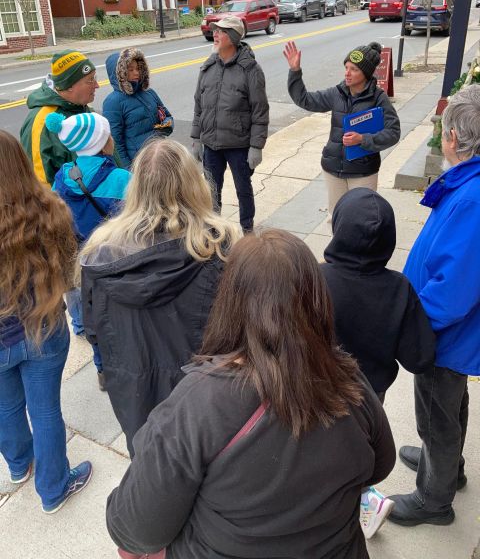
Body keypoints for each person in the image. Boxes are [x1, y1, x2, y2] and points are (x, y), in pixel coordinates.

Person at [105, 229, 396, 559]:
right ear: (316, 299)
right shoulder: (347, 378)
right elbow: (381, 464)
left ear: (230, 299)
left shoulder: (198, 402)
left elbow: (134, 530)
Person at [79, 138, 239, 457]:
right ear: (194, 183)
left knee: (149, 467)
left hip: (134, 390)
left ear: (135, 188)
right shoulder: (222, 246)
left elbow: (93, 328)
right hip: (206, 397)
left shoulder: (100, 254)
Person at [319, 187, 436, 538]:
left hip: (319, 391)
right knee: (359, 454)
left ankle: (329, 510)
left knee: (319, 457)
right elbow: (420, 356)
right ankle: (362, 501)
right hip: (371, 398)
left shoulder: (316, 279)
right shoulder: (399, 288)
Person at [388, 84, 480, 527]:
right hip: (446, 332)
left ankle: (433, 499)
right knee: (448, 405)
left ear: (453, 138)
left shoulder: (473, 197)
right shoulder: (468, 185)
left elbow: (454, 290)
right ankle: (447, 468)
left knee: (437, 413)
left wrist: (413, 325)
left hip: (443, 334)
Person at [0, 130, 92, 514]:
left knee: (5, 407)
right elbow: (72, 272)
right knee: (46, 411)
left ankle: (20, 465)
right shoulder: (52, 210)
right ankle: (53, 488)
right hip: (44, 328)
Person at [46, 111, 131, 389]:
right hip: (116, 261)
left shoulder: (63, 176)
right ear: (102, 141)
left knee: (94, 320)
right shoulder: (121, 178)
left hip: (81, 261)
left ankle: (102, 370)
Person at [284, 40, 400, 220]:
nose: (347, 73)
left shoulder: (379, 98)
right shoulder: (336, 93)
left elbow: (393, 133)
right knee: (336, 218)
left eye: (354, 69)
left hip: (363, 172)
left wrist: (363, 139)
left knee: (361, 220)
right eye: (346, 67)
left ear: (366, 73)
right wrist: (295, 72)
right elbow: (305, 100)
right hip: (333, 169)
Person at [191, 15, 269, 234]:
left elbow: (260, 110)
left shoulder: (250, 70)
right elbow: (199, 105)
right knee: (210, 192)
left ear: (233, 37)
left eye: (222, 31)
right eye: (215, 30)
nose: (215, 34)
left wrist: (256, 146)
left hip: (239, 145)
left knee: (243, 190)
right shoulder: (208, 67)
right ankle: (213, 231)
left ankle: (248, 229)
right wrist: (196, 138)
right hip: (211, 146)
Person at [20, 50, 99, 185]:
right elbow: (41, 188)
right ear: (68, 86)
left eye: (95, 78)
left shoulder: (81, 108)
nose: (97, 85)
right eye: (90, 80)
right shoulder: (40, 124)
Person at [103, 48, 174, 168]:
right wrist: (128, 171)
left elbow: (167, 116)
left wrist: (167, 125)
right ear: (119, 73)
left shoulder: (149, 92)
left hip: (160, 156)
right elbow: (116, 143)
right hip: (139, 164)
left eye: (138, 68)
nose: (136, 73)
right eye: (130, 70)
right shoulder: (113, 102)